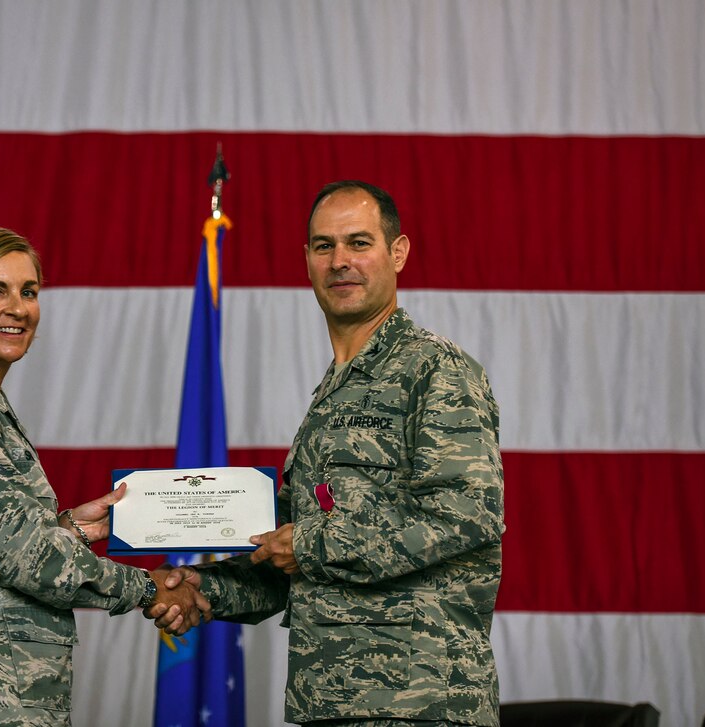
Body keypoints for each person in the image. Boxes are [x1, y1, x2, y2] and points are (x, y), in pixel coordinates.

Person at [151, 181, 505, 726]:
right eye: (324, 246)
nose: (340, 261)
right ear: (308, 260)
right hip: (333, 701)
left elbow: (466, 516)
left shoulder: (435, 371)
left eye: (359, 243)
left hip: (418, 702)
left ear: (399, 252)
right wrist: (205, 591)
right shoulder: (333, 393)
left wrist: (311, 543)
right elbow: (288, 557)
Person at [0, 225, 209, 726]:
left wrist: (69, 528)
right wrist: (149, 588)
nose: (18, 307)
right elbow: (22, 555)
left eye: (28, 291)